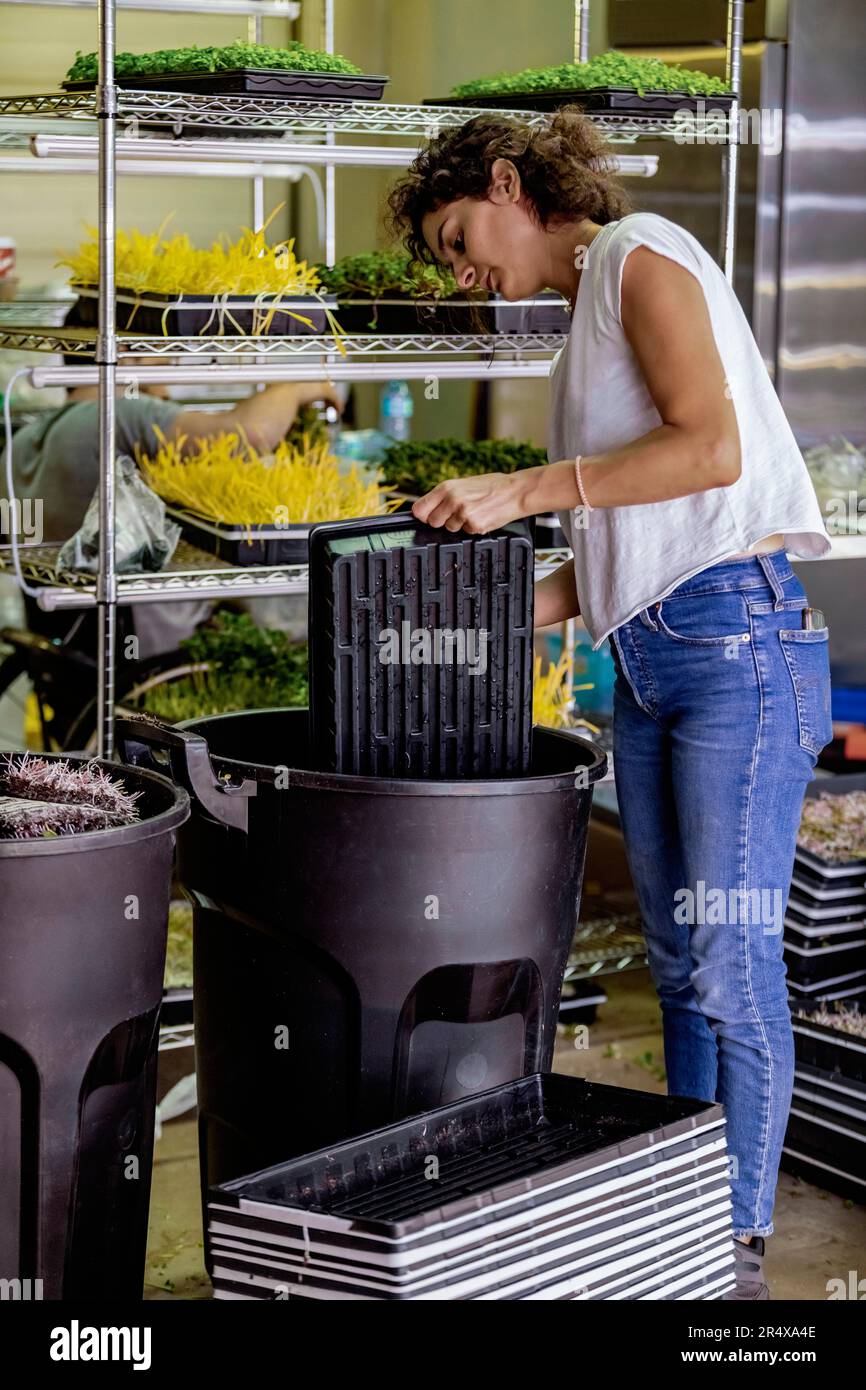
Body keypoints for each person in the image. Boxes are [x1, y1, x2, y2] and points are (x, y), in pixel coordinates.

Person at [387, 108, 832, 1301]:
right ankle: (691, 1223)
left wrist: (521, 485)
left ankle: (732, 1245)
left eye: (457, 234)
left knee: (732, 965)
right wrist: (467, 608)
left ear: (505, 181)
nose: (462, 267)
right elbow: (638, 548)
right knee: (681, 958)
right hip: (655, 657)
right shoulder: (581, 319)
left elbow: (710, 454)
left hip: (739, 648)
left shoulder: (635, 253)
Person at [8, 363, 340, 657]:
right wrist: (301, 386)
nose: (169, 370)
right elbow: (245, 435)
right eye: (162, 356)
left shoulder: (23, 440)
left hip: (71, 650)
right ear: (127, 351)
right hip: (152, 649)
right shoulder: (120, 414)